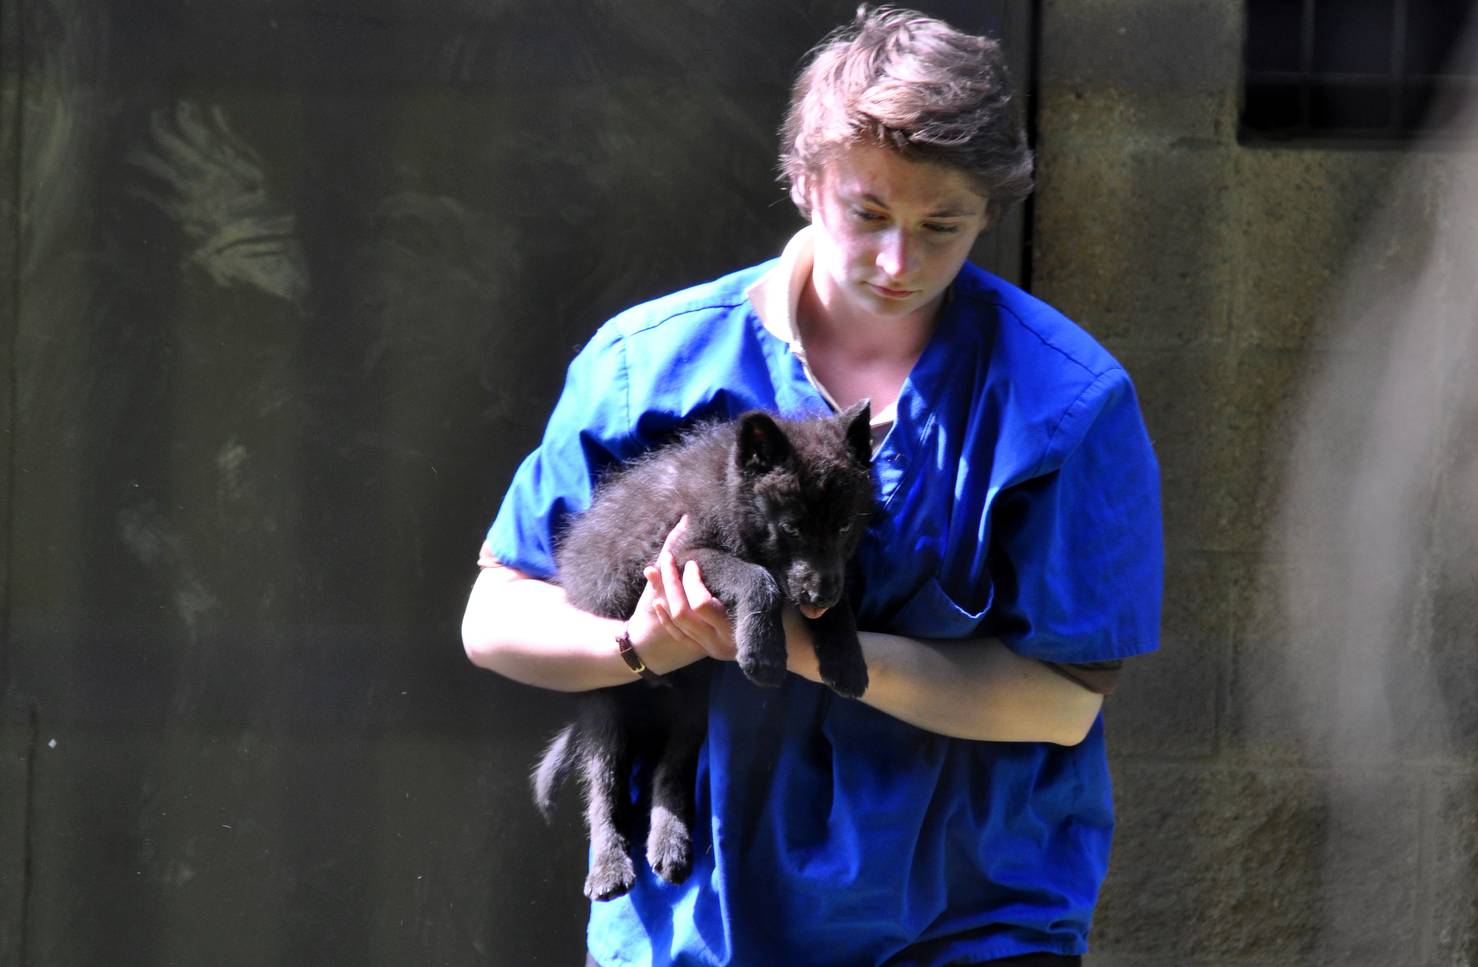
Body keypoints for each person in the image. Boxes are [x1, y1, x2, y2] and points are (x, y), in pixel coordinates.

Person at [461, 7, 1163, 965]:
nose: (896, 260)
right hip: (691, 927)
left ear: (990, 212)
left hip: (965, 925)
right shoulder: (644, 366)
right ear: (804, 181)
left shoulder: (1066, 404)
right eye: (868, 214)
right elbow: (494, 617)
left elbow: (1063, 699)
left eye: (941, 226)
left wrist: (800, 646)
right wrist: (637, 645)